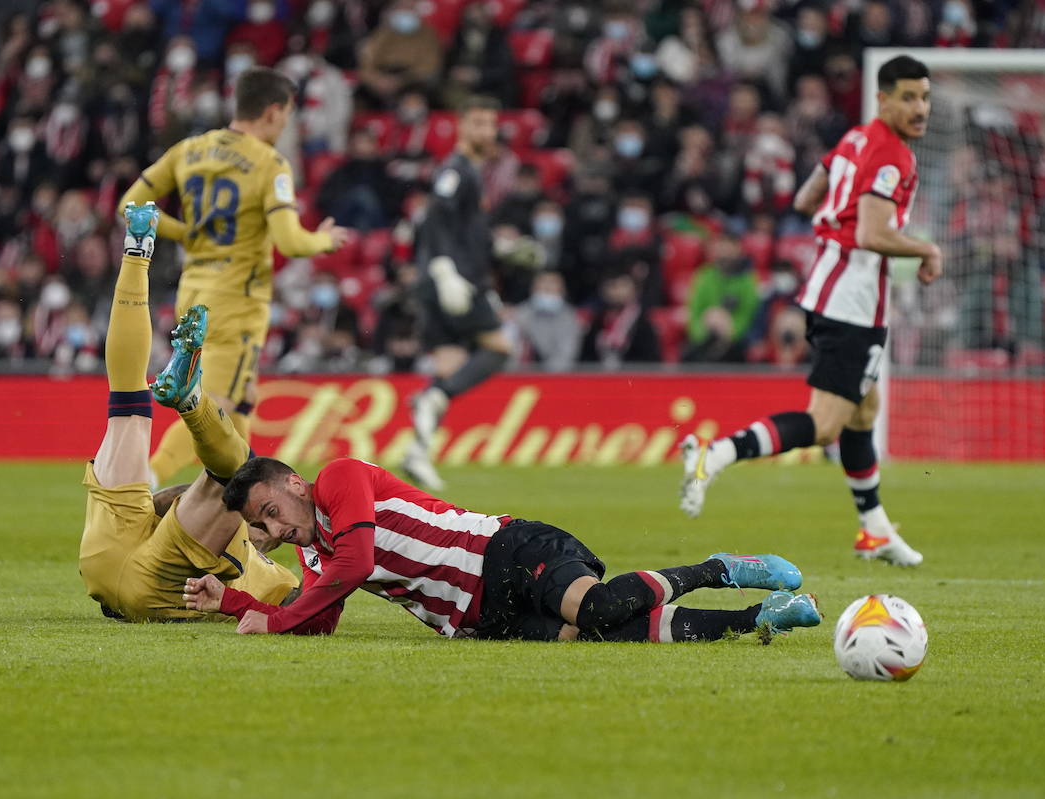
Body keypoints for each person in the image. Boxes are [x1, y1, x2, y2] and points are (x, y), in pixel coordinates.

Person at [678, 55, 942, 567]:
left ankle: (875, 530)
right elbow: (871, 233)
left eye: (925, 97)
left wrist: (834, 222)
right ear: (882, 99)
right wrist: (928, 251)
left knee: (864, 410)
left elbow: (805, 199)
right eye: (908, 97)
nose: (920, 108)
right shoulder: (893, 156)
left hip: (824, 290)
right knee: (825, 425)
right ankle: (716, 453)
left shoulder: (854, 139)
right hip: (854, 305)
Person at [182, 454, 821, 643]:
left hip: (501, 551)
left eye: (272, 511)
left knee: (596, 608)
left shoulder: (339, 480)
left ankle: (722, 568)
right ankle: (756, 620)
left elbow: (358, 564)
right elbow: (319, 615)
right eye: (262, 527)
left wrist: (273, 618)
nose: (275, 529)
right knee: (602, 636)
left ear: (294, 484)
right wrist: (230, 601)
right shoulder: (317, 553)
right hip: (478, 619)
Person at [124, 66, 352, 484]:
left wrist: (185, 234)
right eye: (286, 115)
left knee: (241, 402)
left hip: (193, 290)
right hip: (236, 299)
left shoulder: (189, 149)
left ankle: (245, 500)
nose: (285, 124)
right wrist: (322, 240)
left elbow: (131, 205)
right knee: (215, 403)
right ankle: (143, 482)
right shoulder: (270, 164)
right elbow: (290, 242)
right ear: (271, 112)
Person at [77, 201, 300, 622]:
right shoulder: (275, 577)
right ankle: (138, 254)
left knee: (128, 400)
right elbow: (302, 607)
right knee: (135, 405)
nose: (267, 524)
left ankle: (137, 249)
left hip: (114, 559)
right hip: (154, 584)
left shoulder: (264, 553)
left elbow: (170, 503)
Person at [401, 95, 515, 490]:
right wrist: (445, 268)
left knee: (449, 367)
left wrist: (497, 249)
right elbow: (435, 217)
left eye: (491, 124)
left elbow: (462, 229)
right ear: (462, 127)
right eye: (479, 123)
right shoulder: (457, 170)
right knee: (499, 348)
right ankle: (433, 399)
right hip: (455, 280)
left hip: (445, 281)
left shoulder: (471, 173)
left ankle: (418, 451)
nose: (487, 131)